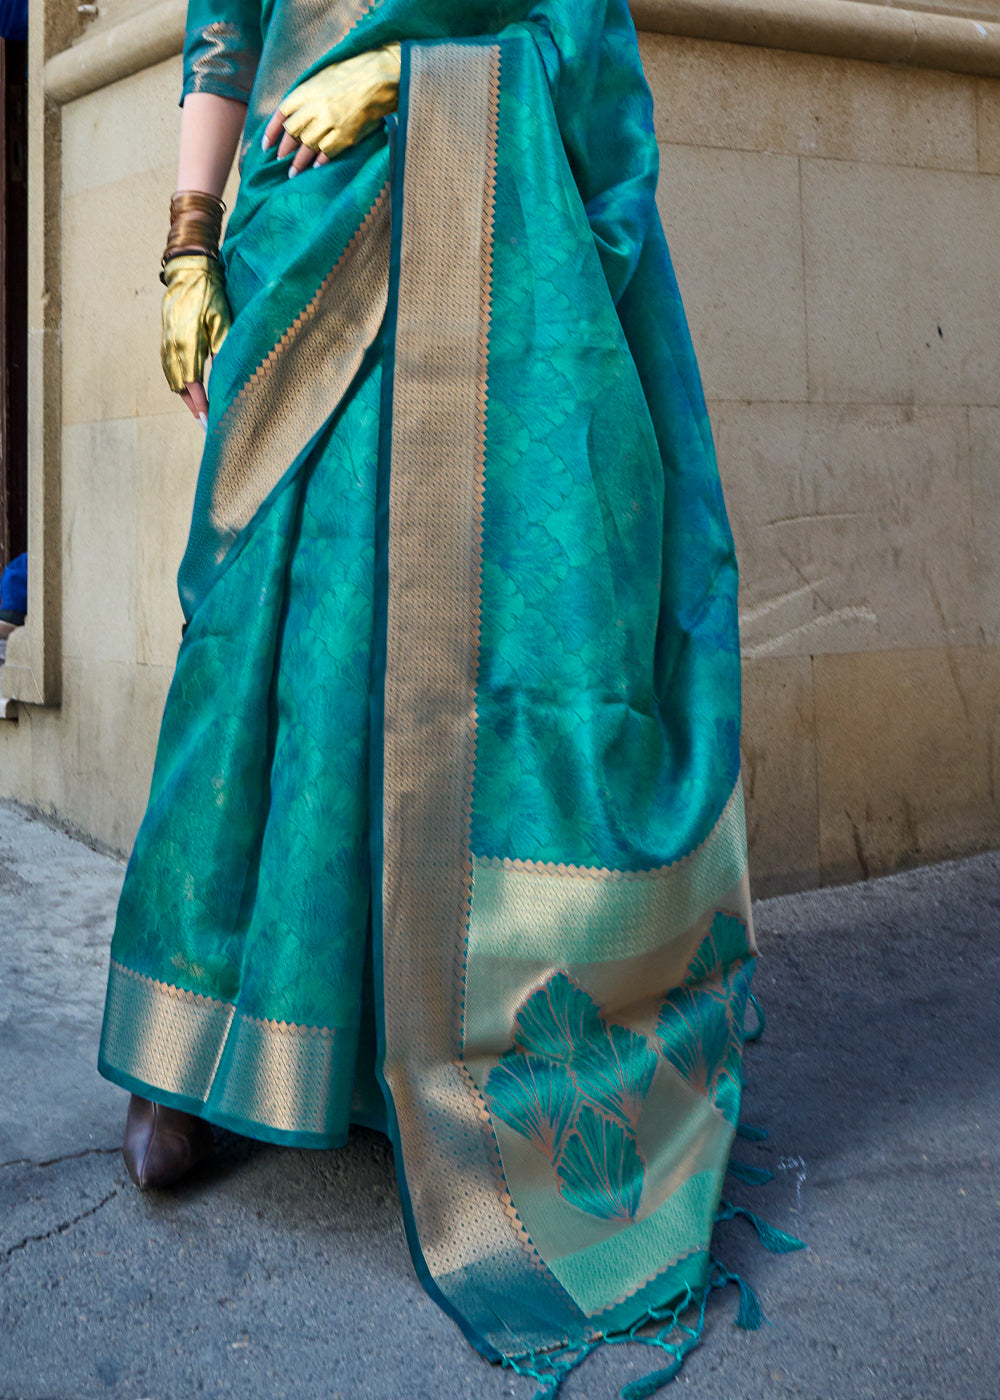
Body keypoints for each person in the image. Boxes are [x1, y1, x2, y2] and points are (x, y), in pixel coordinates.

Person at [99, 0, 759, 1390]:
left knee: (441, 655)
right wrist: (188, 240)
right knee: (256, 658)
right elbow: (224, 29)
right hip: (302, 248)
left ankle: (432, 1050)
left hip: (482, 264)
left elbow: (590, 54)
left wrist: (410, 80)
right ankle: (203, 1062)